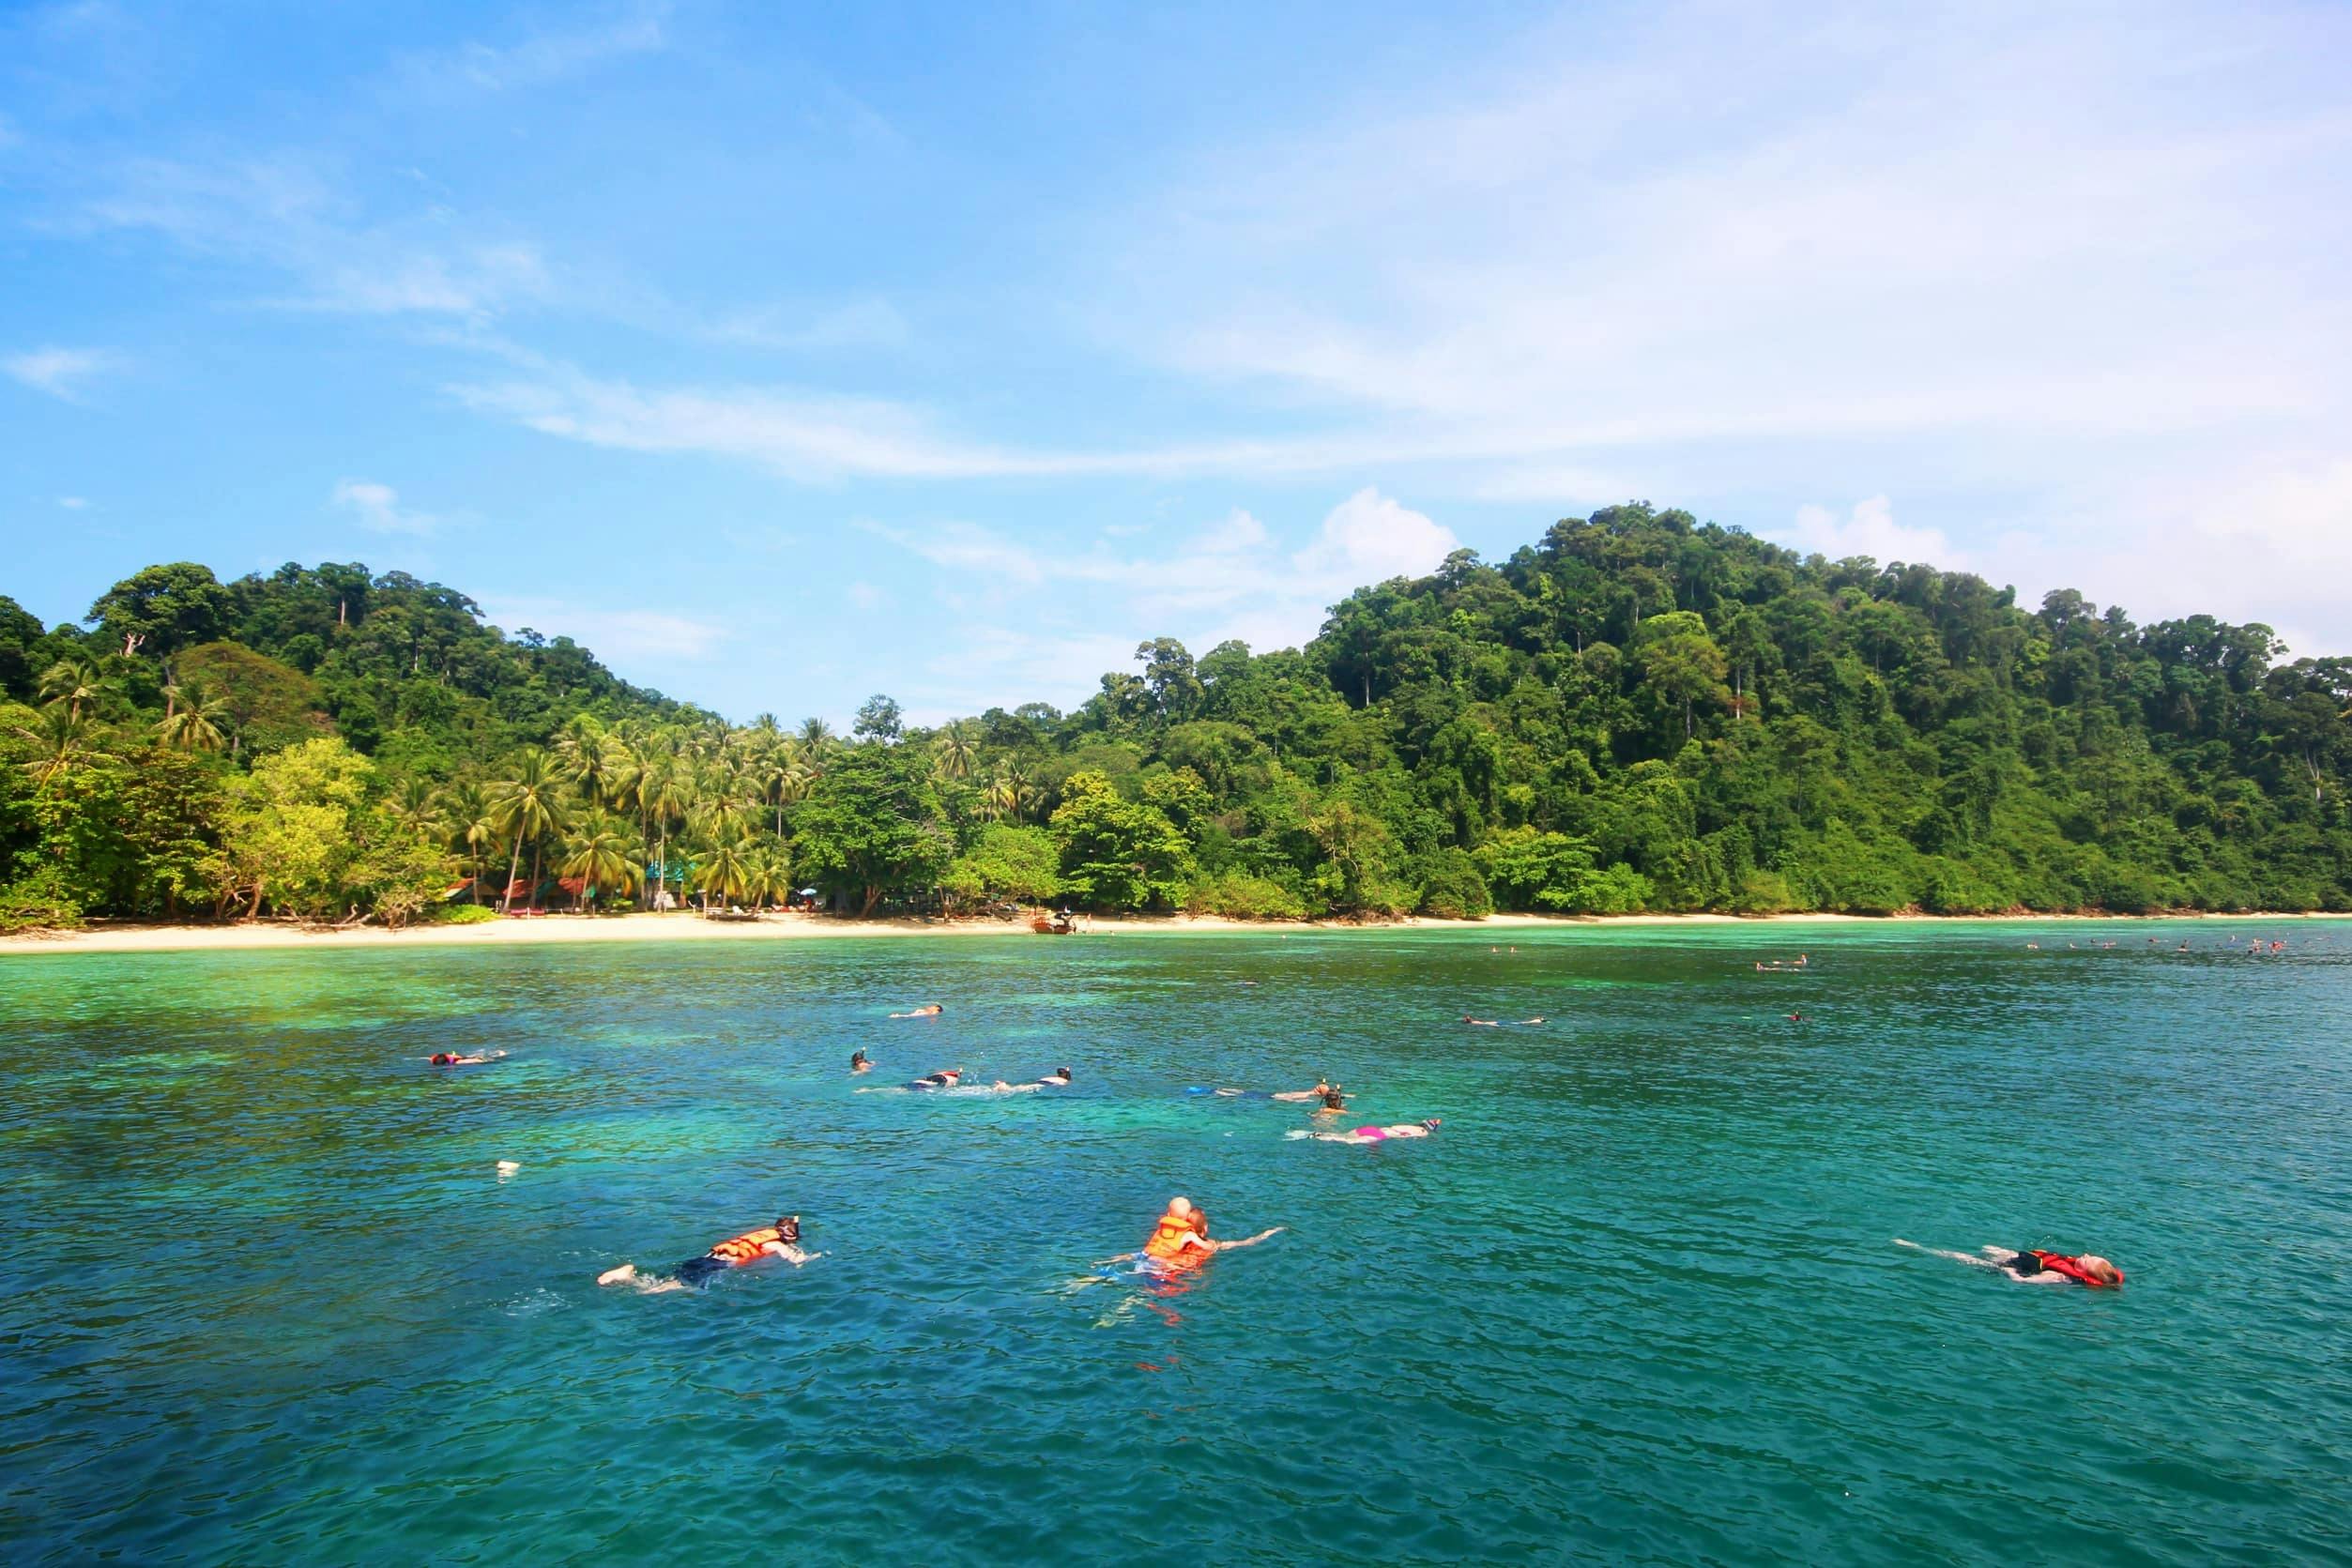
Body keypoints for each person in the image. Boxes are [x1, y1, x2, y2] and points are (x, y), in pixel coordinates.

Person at [598, 1214, 819, 1293]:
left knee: (673, 1276)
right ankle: (633, 1282)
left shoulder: (760, 1235)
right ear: (789, 1236)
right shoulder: (776, 1245)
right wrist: (809, 1258)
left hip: (708, 1257)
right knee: (677, 1288)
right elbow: (795, 1259)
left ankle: (628, 1273)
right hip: (719, 1265)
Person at [1110, 1196, 1282, 1273]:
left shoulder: (1168, 1233)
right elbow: (1246, 1242)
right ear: (1204, 1228)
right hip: (1163, 1269)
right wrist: (1268, 1233)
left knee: (1134, 1263)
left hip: (1148, 1256)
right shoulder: (1201, 1242)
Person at [1893, 1240, 2123, 1287]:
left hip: (2013, 1268)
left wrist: (2011, 1272)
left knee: (1962, 1257)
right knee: (1987, 1247)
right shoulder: (2072, 1265)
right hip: (2020, 1258)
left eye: (2086, 1259)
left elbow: (2028, 1281)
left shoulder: (2060, 1276)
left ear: (2085, 1271)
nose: (2083, 1255)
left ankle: (1917, 1247)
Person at [1290, 1119, 1441, 1145]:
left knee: (1342, 1136)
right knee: (1347, 1142)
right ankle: (1317, 1138)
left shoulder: (1406, 1125)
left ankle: (1315, 1133)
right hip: (1379, 1135)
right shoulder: (1422, 1132)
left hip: (1372, 1129)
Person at [991, 1067, 1074, 1092]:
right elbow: (1069, 1080)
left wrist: (1067, 1071)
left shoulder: (1055, 1077)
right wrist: (1068, 1072)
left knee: (1024, 1086)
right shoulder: (1064, 1081)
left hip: (1040, 1081)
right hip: (1046, 1083)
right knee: (1021, 1089)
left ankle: (1004, 1086)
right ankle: (1004, 1087)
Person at [1268, 1080, 1332, 1103]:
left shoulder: (1308, 1097)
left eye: (1318, 1088)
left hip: (1274, 1097)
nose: (1316, 1088)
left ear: (1319, 1092)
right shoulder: (1308, 1094)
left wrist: (1281, 1098)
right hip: (1275, 1095)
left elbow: (1293, 1099)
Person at [429, 1050, 506, 1066]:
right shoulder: (456, 1061)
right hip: (478, 1060)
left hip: (474, 1059)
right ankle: (500, 1055)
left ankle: (500, 1055)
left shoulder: (453, 1061)